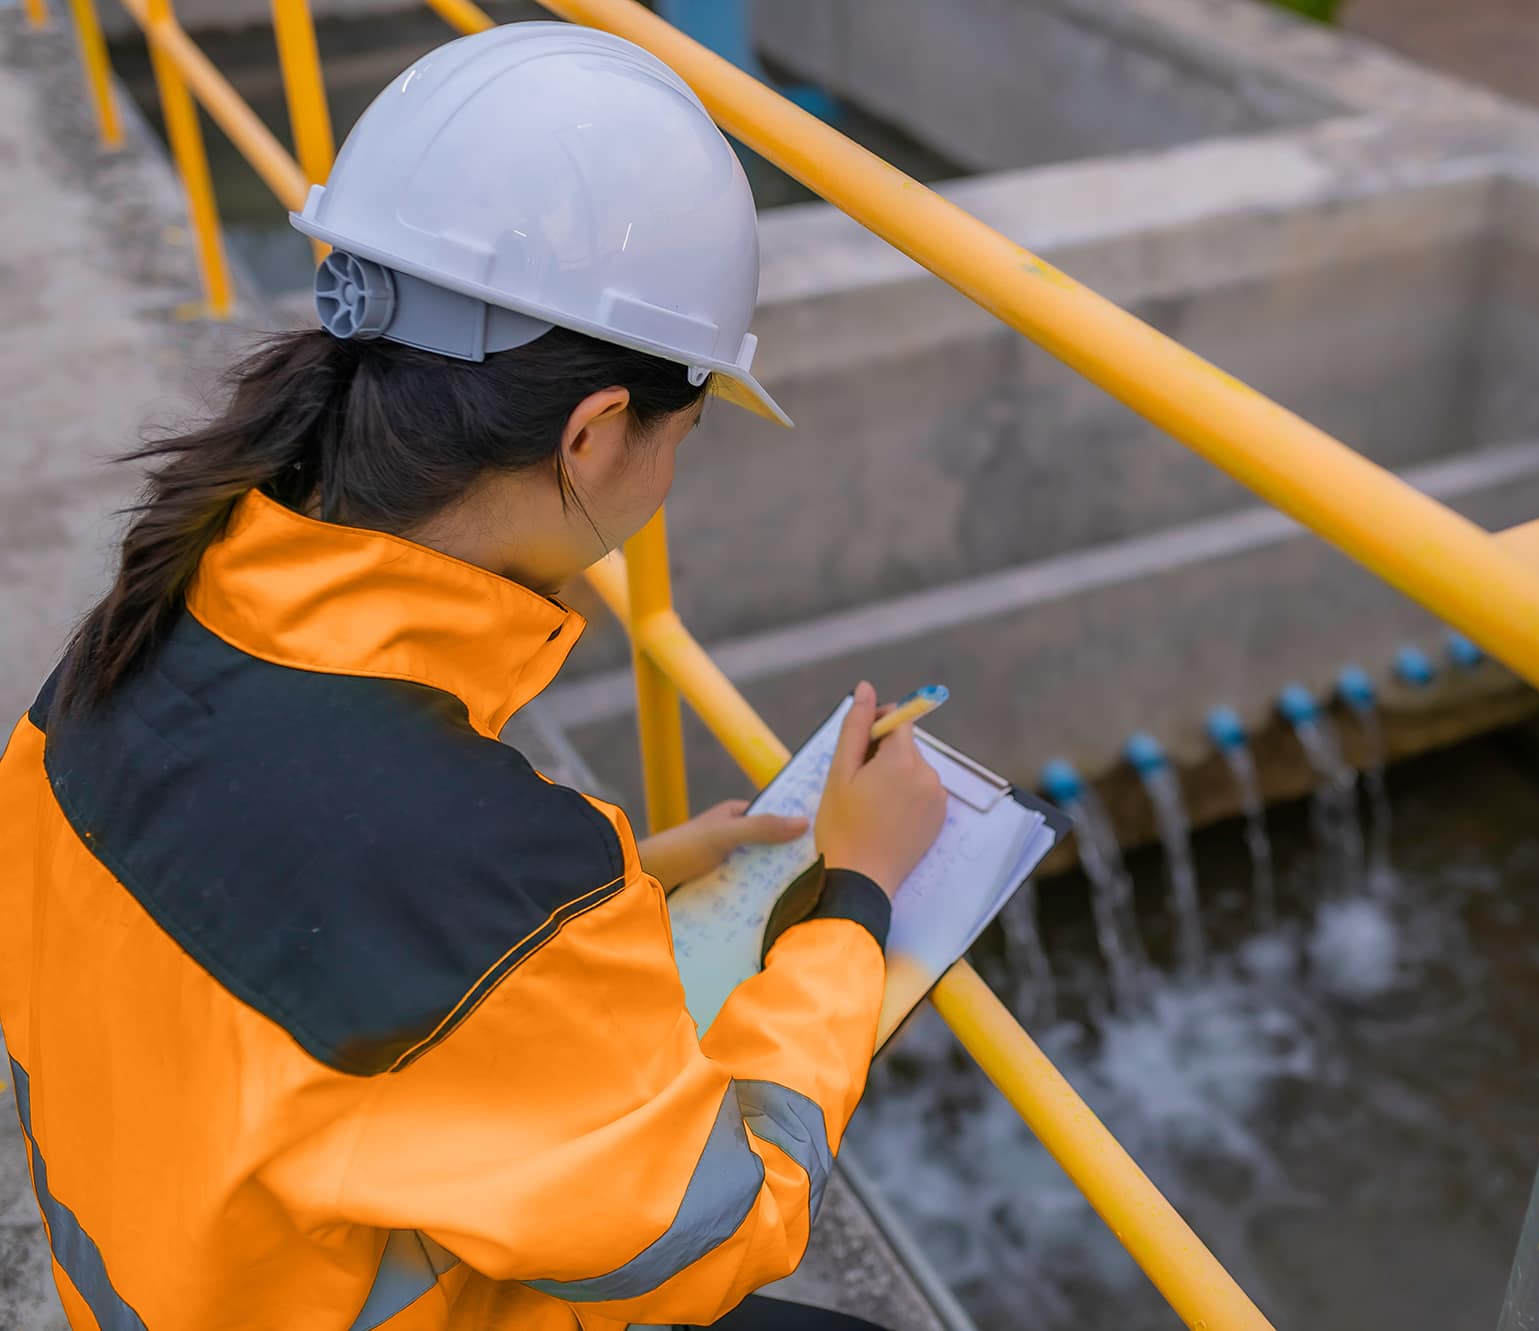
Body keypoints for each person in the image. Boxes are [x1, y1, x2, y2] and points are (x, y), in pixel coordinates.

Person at [0, 23, 947, 1331]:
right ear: (597, 430)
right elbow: (721, 1218)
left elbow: (317, 909)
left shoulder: (143, 629)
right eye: (683, 430)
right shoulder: (477, 873)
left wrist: (613, 884)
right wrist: (855, 896)